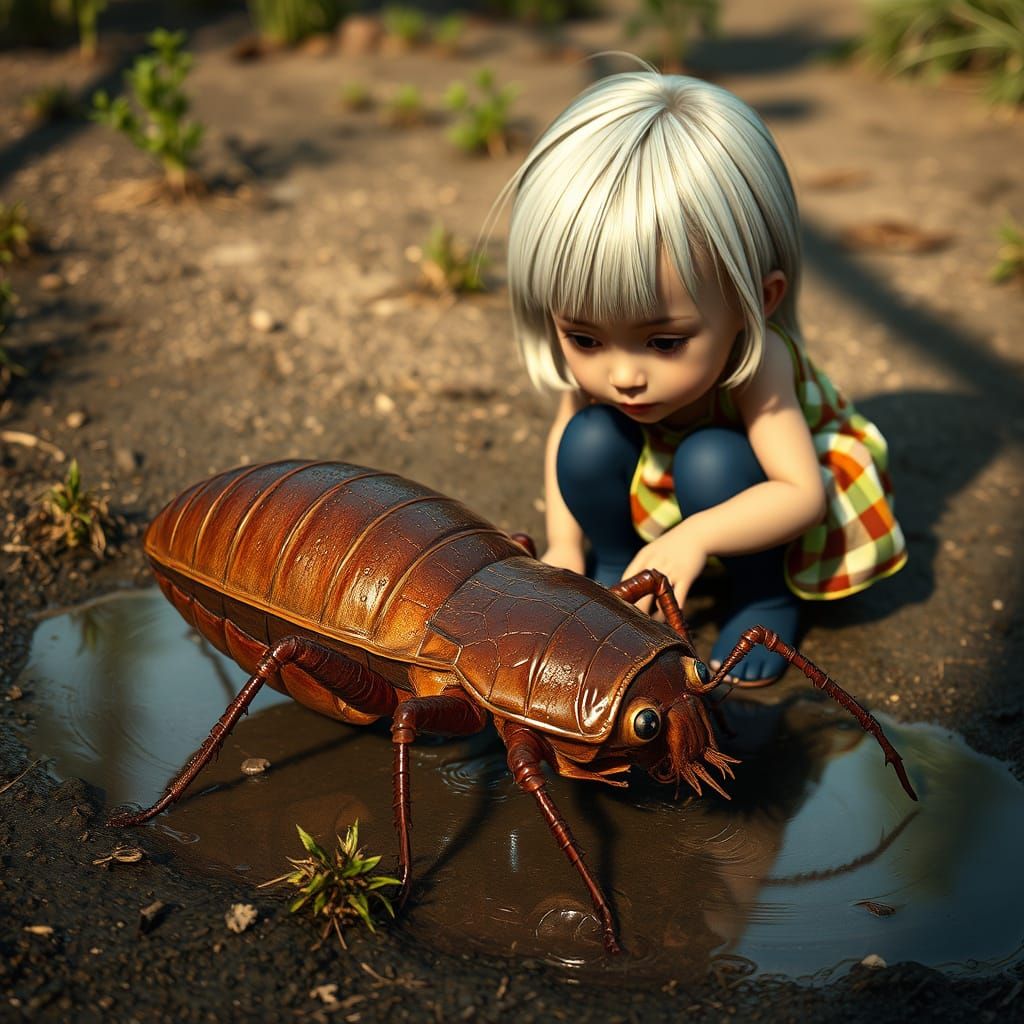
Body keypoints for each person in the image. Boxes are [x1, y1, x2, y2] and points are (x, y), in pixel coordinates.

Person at [501, 68, 907, 685]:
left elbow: (799, 493)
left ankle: (765, 596)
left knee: (711, 459)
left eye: (665, 341)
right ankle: (617, 565)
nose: (622, 374)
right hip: (657, 477)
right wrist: (563, 546)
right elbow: (563, 437)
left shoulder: (759, 358)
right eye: (583, 337)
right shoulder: (609, 371)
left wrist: (694, 538)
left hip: (754, 499)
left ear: (756, 302)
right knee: (587, 438)